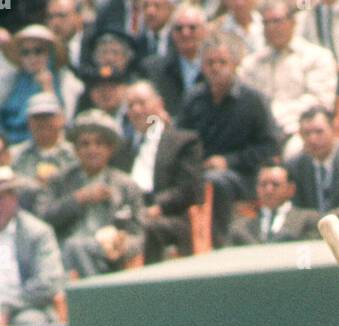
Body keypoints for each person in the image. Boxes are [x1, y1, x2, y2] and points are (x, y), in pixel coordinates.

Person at [178, 32, 280, 247]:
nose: (215, 68)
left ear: (235, 63)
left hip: (245, 177)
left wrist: (229, 161)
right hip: (199, 173)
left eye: (222, 62)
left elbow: (270, 147)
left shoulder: (253, 100)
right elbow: (181, 142)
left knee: (217, 181)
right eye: (210, 62)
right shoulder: (193, 99)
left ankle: (220, 246)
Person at [37, 107, 145, 276]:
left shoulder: (126, 185)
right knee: (75, 246)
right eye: (85, 144)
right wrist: (78, 199)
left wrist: (122, 245)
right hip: (65, 258)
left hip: (107, 258)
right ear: (75, 150)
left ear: (110, 149)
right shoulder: (59, 180)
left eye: (99, 144)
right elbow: (42, 220)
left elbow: (139, 235)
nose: (92, 150)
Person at [112, 79, 203, 260]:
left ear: (159, 104)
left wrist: (158, 206)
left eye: (142, 103)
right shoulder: (121, 149)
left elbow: (187, 189)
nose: (136, 110)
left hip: (168, 214)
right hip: (128, 213)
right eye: (131, 106)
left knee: (147, 228)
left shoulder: (183, 142)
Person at [0, 165, 66, 326]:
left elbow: (48, 282)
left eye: (2, 197)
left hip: (25, 307)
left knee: (28, 324)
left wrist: (7, 306)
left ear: (14, 199)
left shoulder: (38, 232)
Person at [239, 0, 336, 144]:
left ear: (293, 22)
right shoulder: (251, 64)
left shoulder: (318, 57)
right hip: (259, 135)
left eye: (277, 21)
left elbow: (320, 101)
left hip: (300, 132)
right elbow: (245, 103)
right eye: (266, 23)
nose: (272, 28)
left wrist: (277, 114)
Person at [0, 24, 84, 143]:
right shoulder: (12, 80)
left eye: (38, 51)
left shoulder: (66, 81)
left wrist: (48, 88)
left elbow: (64, 123)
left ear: (50, 54)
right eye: (25, 52)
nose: (32, 57)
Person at [10, 92, 78, 212]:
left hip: (66, 218)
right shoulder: (14, 154)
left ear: (61, 119)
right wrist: (34, 184)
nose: (43, 122)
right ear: (29, 122)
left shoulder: (75, 154)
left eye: (48, 116)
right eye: (37, 117)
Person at [140, 3, 207, 118]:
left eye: (192, 28)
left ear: (205, 31)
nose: (185, 33)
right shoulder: (153, 69)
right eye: (179, 28)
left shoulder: (214, 67)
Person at [284, 103, 339, 212]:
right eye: (307, 133)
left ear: (334, 129)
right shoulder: (294, 167)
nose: (312, 139)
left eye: (319, 132)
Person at [227, 161, 311, 242]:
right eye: (263, 184)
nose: (269, 190)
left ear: (291, 189)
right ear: (257, 189)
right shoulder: (239, 229)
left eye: (275, 184)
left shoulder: (308, 220)